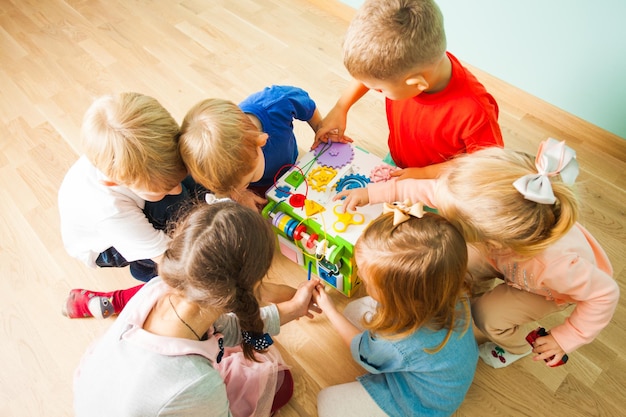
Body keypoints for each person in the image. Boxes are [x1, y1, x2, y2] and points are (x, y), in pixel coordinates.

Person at [335, 139, 619, 368]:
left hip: (546, 290)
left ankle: (516, 347)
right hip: (508, 257)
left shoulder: (560, 267)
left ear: (489, 237)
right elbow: (427, 189)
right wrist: (372, 193)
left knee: (486, 317)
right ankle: (474, 288)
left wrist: (565, 338)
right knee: (456, 266)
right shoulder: (480, 205)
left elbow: (604, 294)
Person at [74, 201, 321, 417]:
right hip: (170, 393)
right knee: (280, 385)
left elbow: (224, 328)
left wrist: (293, 309)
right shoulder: (197, 383)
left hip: (104, 390)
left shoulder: (159, 288)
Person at [313, 202, 478, 417]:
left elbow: (365, 354)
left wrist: (329, 308)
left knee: (327, 402)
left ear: (401, 299)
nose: (361, 279)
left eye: (366, 280)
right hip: (444, 373)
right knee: (354, 311)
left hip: (423, 405)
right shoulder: (450, 288)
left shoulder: (401, 340)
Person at [313, 0, 503, 180]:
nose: (377, 91)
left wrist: (423, 175)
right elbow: (369, 75)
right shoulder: (408, 69)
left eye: (379, 89)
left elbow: (486, 167)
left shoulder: (476, 113)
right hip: (398, 161)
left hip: (438, 184)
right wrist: (341, 107)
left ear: (417, 84)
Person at [59, 92, 206, 318]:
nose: (177, 189)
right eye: (166, 187)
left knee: (187, 186)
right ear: (114, 181)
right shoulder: (110, 210)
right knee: (188, 277)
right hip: (106, 246)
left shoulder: (137, 156)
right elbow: (169, 262)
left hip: (129, 210)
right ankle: (133, 284)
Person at [180, 85, 323, 209]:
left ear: (261, 141)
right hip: (262, 187)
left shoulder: (277, 103)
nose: (236, 192)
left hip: (290, 163)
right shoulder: (224, 171)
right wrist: (242, 192)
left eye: (247, 180)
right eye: (234, 189)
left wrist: (320, 129)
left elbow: (307, 105)